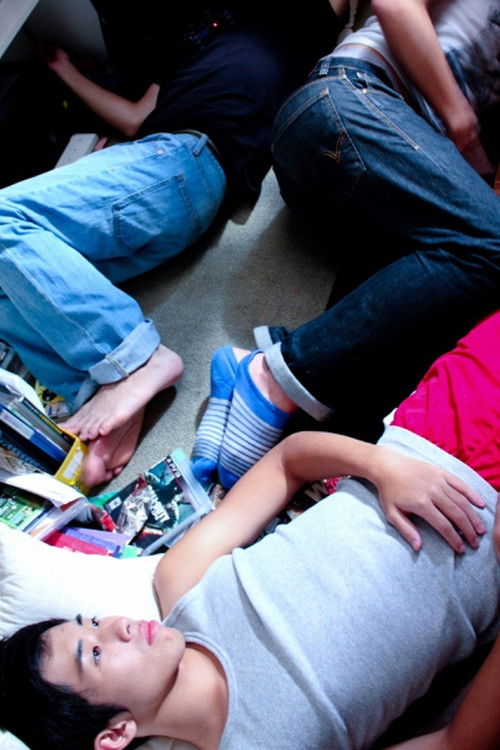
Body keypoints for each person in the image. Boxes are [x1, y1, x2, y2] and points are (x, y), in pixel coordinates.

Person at [1, 311, 499, 750]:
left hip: (436, 437)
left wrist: (381, 466)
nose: (116, 626)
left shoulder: (182, 581)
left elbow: (287, 462)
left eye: (92, 623)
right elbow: (459, 742)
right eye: (94, 653)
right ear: (115, 734)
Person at [0, 0, 344, 487]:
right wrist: (63, 69)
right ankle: (100, 389)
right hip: (162, 177)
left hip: (184, 157)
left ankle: (135, 358)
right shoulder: (190, 49)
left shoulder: (287, 18)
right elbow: (133, 118)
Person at [192, 0, 500, 488]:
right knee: (493, 245)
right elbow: (396, 5)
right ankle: (273, 375)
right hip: (349, 100)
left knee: (414, 338)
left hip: (374, 187)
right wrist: (459, 118)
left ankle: (261, 398)